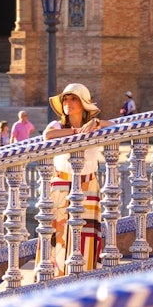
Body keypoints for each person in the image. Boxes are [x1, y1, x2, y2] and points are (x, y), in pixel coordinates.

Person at [35, 83, 113, 278]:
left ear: (83, 103)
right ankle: (56, 277)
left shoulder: (95, 126)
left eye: (73, 99)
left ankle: (83, 275)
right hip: (62, 184)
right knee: (59, 233)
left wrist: (96, 124)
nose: (68, 103)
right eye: (66, 100)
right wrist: (76, 133)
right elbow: (48, 136)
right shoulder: (57, 126)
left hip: (89, 184)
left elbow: (116, 126)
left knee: (85, 232)